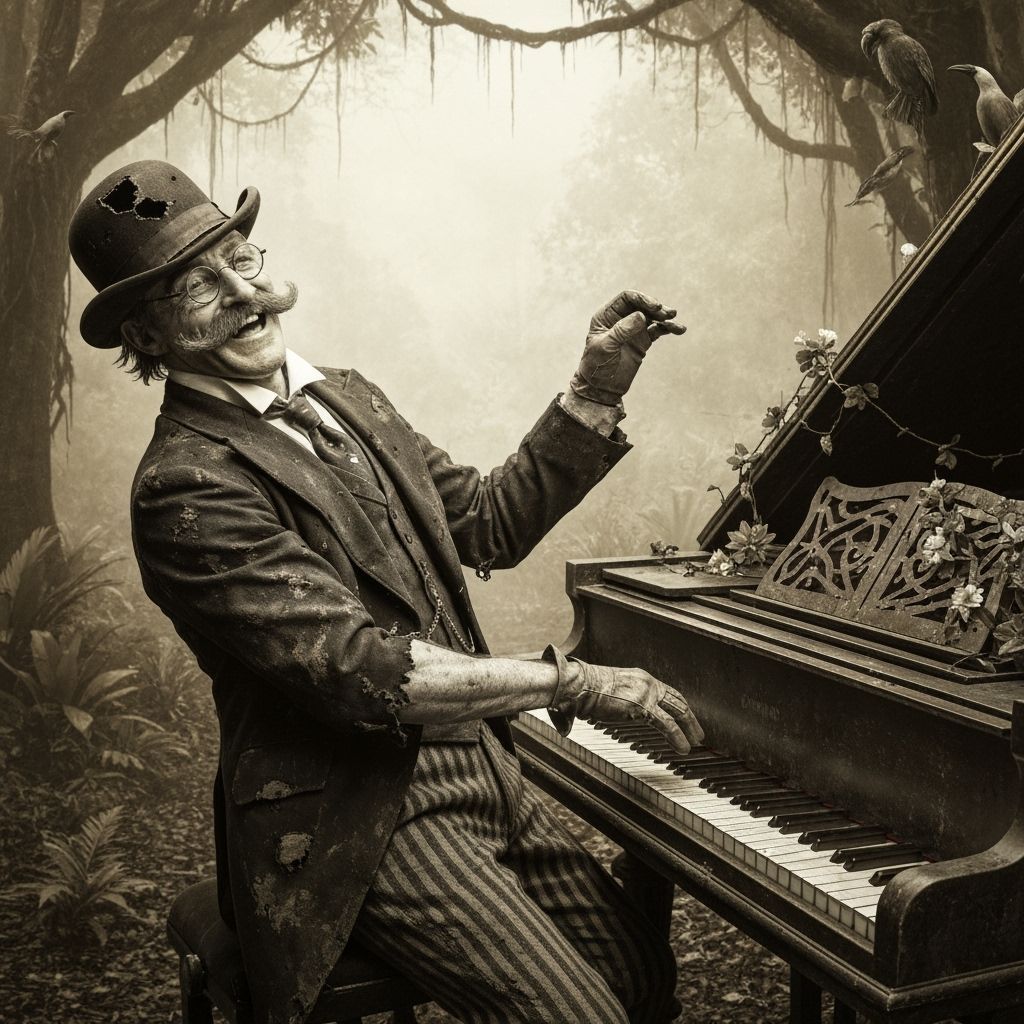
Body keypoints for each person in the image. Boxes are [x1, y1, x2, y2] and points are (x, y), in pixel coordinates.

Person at [68, 160, 704, 1024]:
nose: (241, 294)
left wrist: (593, 391)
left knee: (643, 978)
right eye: (193, 287)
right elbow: (364, 669)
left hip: (484, 769)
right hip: (357, 822)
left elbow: (484, 524)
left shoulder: (350, 397)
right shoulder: (184, 486)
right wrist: (573, 682)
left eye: (238, 260)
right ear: (145, 336)